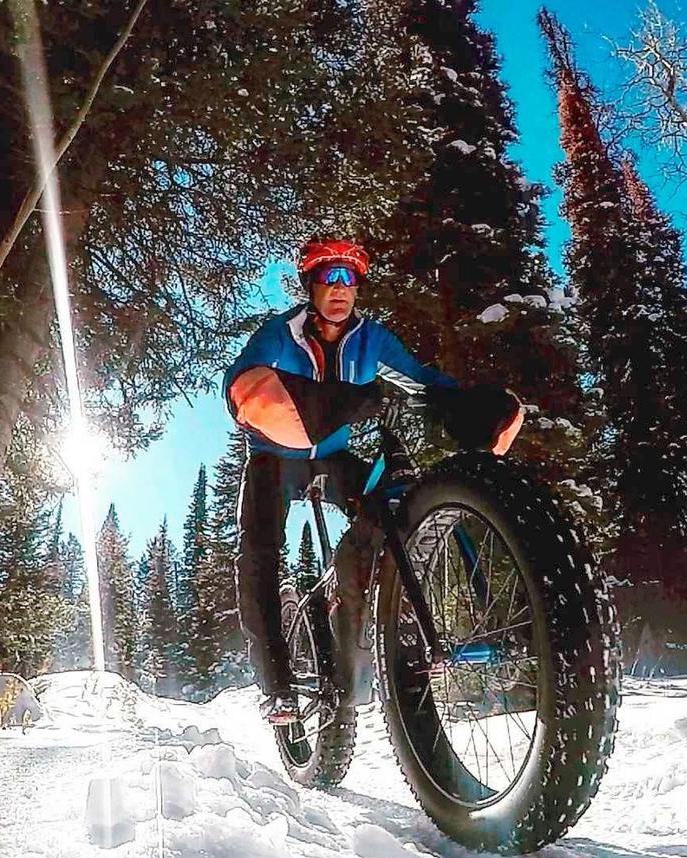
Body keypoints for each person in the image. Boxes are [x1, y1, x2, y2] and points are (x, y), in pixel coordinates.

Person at [223, 238, 524, 723]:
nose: (341, 287)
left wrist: (467, 407)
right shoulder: (281, 333)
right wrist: (344, 400)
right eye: (330, 276)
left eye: (351, 278)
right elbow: (244, 382)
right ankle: (276, 683)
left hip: (335, 458)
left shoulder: (371, 338)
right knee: (259, 551)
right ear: (310, 285)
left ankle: (369, 605)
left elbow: (419, 379)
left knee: (394, 505)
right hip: (274, 458)